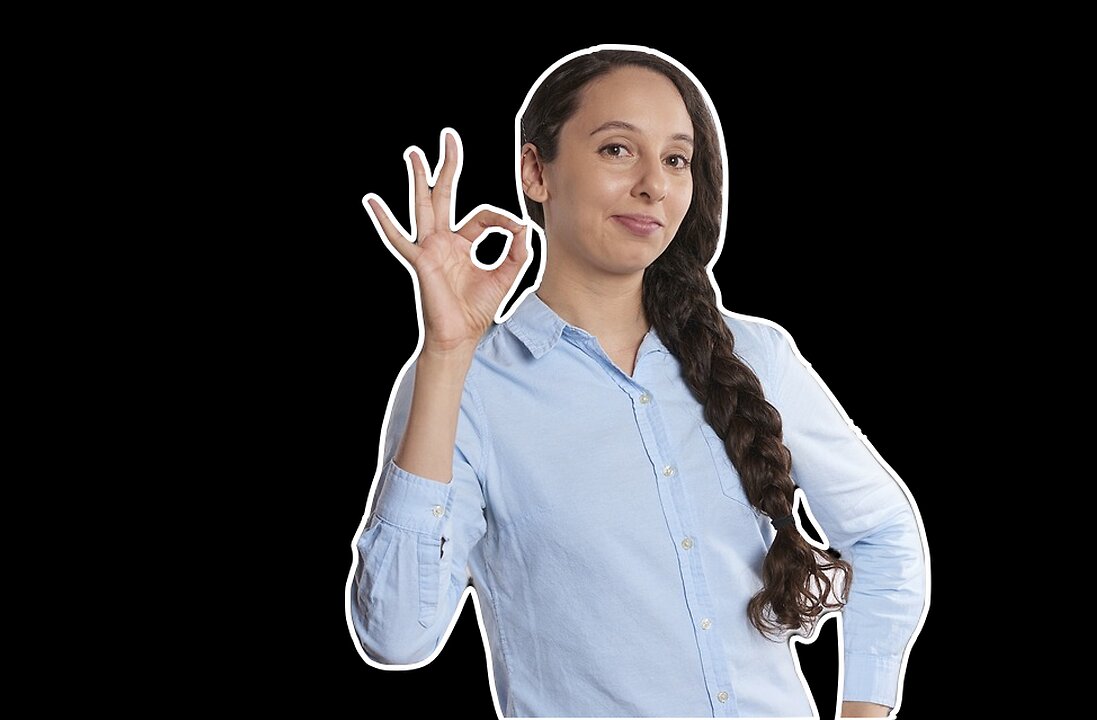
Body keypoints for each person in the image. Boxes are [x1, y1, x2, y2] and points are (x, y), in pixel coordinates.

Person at [347, 45, 928, 719]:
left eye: (676, 159)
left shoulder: (754, 355)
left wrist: (864, 707)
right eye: (618, 150)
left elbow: (883, 533)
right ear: (536, 171)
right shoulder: (467, 387)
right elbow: (395, 636)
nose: (654, 184)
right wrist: (446, 352)